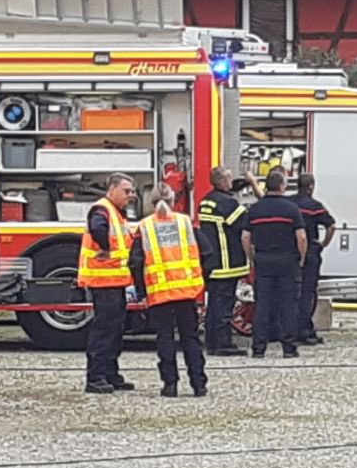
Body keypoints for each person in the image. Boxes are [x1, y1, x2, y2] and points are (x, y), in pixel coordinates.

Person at [129, 185, 210, 397]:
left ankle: (170, 384)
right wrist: (200, 281)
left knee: (165, 338)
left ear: (151, 202)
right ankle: (199, 385)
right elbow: (208, 252)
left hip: (159, 293)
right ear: (173, 201)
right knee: (190, 338)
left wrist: (141, 292)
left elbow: (135, 262)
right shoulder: (185, 223)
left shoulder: (144, 227)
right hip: (186, 292)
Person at [77, 173, 138, 394]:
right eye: (126, 191)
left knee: (115, 330)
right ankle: (96, 377)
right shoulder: (102, 209)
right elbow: (98, 228)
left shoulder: (115, 213)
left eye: (132, 192)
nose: (130, 196)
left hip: (115, 281)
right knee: (104, 330)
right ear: (112, 190)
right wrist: (105, 247)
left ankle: (111, 374)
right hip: (103, 282)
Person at [243, 168, 307, 359]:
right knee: (288, 305)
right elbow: (301, 237)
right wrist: (301, 258)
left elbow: (245, 237)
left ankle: (258, 348)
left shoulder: (255, 209)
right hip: (288, 261)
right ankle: (289, 348)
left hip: (263, 262)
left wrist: (252, 258)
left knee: (262, 305)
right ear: (282, 186)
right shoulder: (291, 209)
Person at [196, 167, 253, 357]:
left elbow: (230, 192)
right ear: (221, 181)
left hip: (212, 262)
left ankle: (212, 342)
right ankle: (222, 343)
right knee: (224, 305)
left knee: (213, 305)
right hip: (227, 262)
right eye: (229, 178)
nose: (231, 181)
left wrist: (245, 182)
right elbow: (246, 222)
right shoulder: (228, 204)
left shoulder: (207, 200)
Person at [291, 173, 336, 345]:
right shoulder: (314, 206)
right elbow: (331, 225)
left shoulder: (290, 203)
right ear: (311, 187)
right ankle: (305, 329)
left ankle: (290, 328)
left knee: (292, 292)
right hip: (310, 252)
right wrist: (324, 243)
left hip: (291, 253)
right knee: (308, 292)